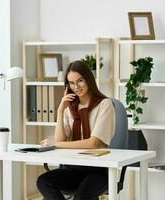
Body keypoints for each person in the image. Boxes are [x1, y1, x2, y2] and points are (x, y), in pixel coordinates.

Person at [36, 60, 115, 200]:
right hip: (73, 168)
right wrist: (60, 110)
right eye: (71, 83)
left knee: (81, 196)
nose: (76, 87)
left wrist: (55, 145)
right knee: (43, 182)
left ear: (89, 80)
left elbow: (93, 143)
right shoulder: (69, 108)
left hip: (98, 170)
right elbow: (60, 139)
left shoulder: (105, 104)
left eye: (80, 81)